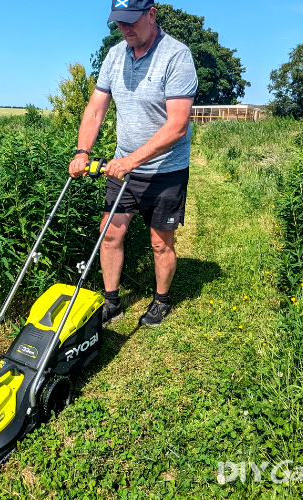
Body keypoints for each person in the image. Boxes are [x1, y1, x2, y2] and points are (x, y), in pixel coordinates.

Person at [68, 0, 197, 327]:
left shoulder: (177, 56)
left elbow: (177, 125)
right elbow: (96, 109)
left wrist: (130, 161)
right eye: (119, 22)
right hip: (123, 167)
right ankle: (111, 301)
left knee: (159, 242)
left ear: (151, 15)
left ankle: (161, 300)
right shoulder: (115, 56)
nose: (125, 29)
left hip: (165, 170)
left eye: (131, 21)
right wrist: (83, 150)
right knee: (109, 232)